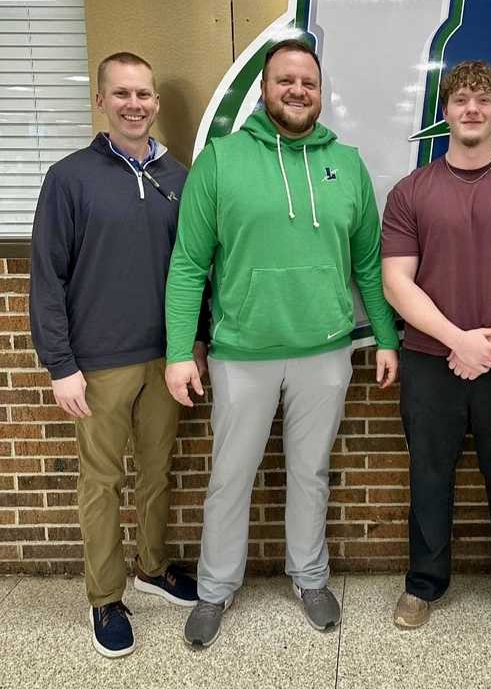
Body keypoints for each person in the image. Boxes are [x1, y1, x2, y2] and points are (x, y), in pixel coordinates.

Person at [164, 38, 399, 648]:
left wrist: (385, 337)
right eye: (285, 81)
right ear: (263, 89)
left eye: (309, 83)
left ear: (320, 94)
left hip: (325, 349)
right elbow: (189, 264)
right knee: (229, 477)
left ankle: (310, 575)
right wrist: (175, 354)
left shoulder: (345, 164)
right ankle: (215, 588)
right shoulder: (220, 160)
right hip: (241, 352)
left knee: (311, 471)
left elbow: (368, 264)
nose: (297, 91)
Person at [381, 60, 491, 636]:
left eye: (483, 100)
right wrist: (459, 340)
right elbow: (396, 282)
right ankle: (423, 585)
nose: (472, 109)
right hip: (431, 362)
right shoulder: (411, 191)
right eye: (460, 99)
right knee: (428, 475)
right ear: (444, 109)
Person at [29, 52, 203, 659]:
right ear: (101, 101)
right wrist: (60, 365)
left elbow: (197, 269)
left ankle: (152, 568)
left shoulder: (179, 177)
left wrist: (196, 341)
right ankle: (106, 597)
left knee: (156, 473)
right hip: (97, 362)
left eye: (145, 94)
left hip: (167, 358)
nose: (135, 104)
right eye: (122, 94)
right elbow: (47, 277)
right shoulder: (69, 177)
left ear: (156, 103)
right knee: (102, 481)